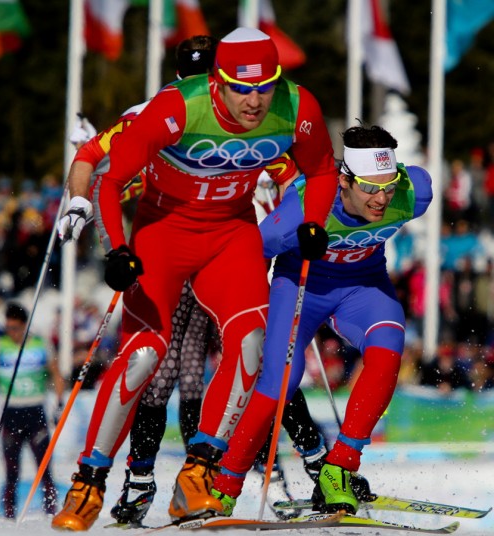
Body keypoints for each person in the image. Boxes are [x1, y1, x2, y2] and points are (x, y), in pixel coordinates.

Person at [51, 27, 337, 531]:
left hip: (231, 233)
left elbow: (319, 171)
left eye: (264, 87)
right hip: (163, 230)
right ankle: (90, 481)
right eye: (240, 88)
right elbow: (108, 174)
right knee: (144, 357)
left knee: (253, 344)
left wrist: (311, 221)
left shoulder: (294, 107)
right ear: (215, 81)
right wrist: (114, 248)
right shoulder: (168, 108)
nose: (254, 101)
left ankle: (198, 474)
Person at [205, 124, 433, 517]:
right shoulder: (305, 209)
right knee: (280, 383)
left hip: (363, 287)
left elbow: (419, 182)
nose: (381, 199)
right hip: (300, 289)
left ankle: (339, 468)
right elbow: (254, 253)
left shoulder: (413, 194)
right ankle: (224, 484)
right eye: (369, 189)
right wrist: (249, 312)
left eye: (388, 187)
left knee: (389, 349)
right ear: (344, 181)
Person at [0, 302, 64, 519]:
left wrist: (59, 403)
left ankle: (51, 513)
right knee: (12, 473)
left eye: (15, 328)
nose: (11, 333)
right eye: (8, 328)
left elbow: (57, 374)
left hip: (35, 413)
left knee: (44, 470)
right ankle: (8, 517)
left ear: (24, 326)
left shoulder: (41, 344)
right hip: (11, 414)